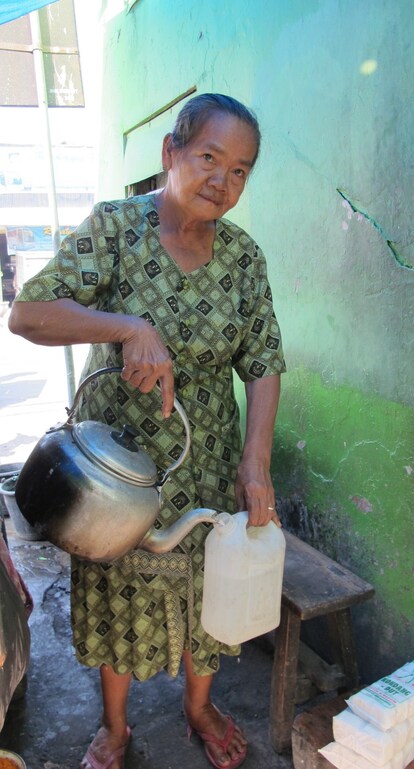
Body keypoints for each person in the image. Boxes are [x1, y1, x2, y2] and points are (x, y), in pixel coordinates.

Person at [9, 93, 285, 769]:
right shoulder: (116, 230)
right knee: (116, 589)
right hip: (116, 473)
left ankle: (198, 707)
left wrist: (256, 461)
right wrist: (128, 327)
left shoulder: (244, 258)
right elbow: (28, 313)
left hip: (208, 463)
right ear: (171, 152)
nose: (224, 180)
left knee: (207, 592)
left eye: (241, 170)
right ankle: (114, 725)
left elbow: (265, 359)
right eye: (210, 158)